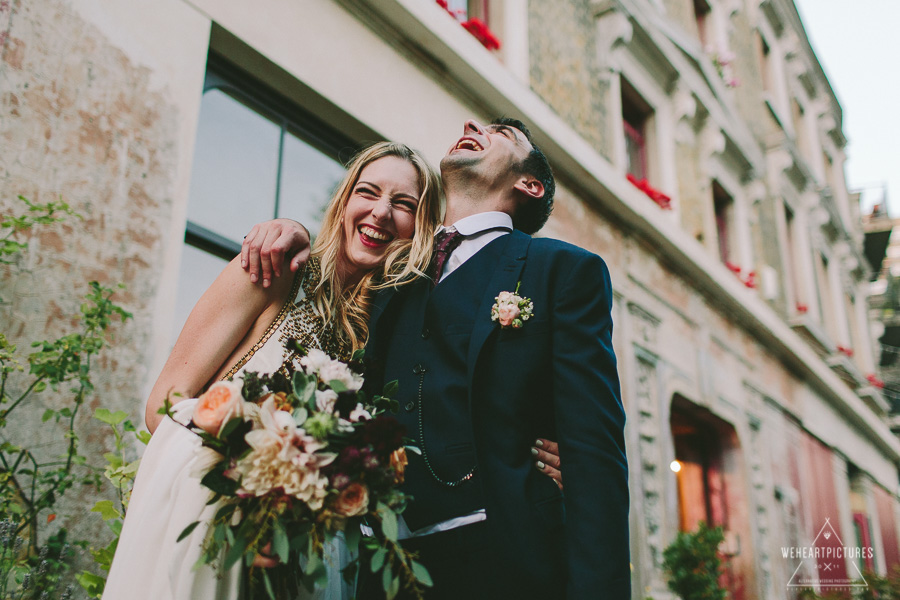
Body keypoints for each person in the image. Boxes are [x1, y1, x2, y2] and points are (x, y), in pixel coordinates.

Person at [244, 118, 630, 599]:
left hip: (505, 561)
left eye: (502, 134)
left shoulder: (563, 271)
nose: (471, 124)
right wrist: (293, 227)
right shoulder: (388, 268)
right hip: (380, 564)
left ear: (528, 184)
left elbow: (593, 446)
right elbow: (334, 264)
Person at [102, 141, 443, 600]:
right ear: (344, 202)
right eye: (368, 192)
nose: (381, 213)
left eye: (404, 204)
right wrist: (260, 472)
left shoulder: (383, 341)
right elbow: (163, 404)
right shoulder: (274, 269)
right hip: (211, 522)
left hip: (302, 555)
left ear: (421, 226)